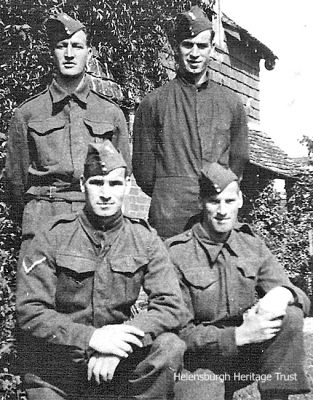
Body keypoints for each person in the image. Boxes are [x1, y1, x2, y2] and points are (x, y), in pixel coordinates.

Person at [16, 140, 187, 400]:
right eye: (97, 183)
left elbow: (171, 305)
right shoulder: (52, 235)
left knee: (170, 347)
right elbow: (30, 311)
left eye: (115, 184)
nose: (106, 193)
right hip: (58, 370)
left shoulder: (144, 239)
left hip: (116, 366)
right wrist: (91, 338)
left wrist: (119, 345)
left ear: (127, 186)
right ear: (83, 184)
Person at [166, 163, 311, 400]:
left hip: (246, 357)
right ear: (201, 202)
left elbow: (300, 297)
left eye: (229, 201)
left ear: (240, 200)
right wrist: (239, 335)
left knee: (290, 314)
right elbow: (180, 333)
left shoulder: (251, 244)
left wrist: (282, 294)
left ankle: (277, 396)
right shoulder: (176, 253)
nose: (223, 210)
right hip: (201, 361)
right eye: (214, 201)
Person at [5, 12, 131, 253]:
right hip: (44, 217)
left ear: (89, 53)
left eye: (77, 46)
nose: (70, 54)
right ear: (52, 52)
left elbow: (121, 173)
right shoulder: (28, 113)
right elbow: (15, 183)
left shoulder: (111, 113)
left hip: (93, 219)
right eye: (62, 46)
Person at [132, 5, 249, 239]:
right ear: (177, 47)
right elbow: (144, 172)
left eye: (202, 46)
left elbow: (238, 162)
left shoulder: (231, 103)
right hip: (169, 220)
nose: (195, 53)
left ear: (212, 49)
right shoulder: (153, 103)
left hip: (214, 218)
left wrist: (217, 191)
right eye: (188, 44)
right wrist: (171, 190)